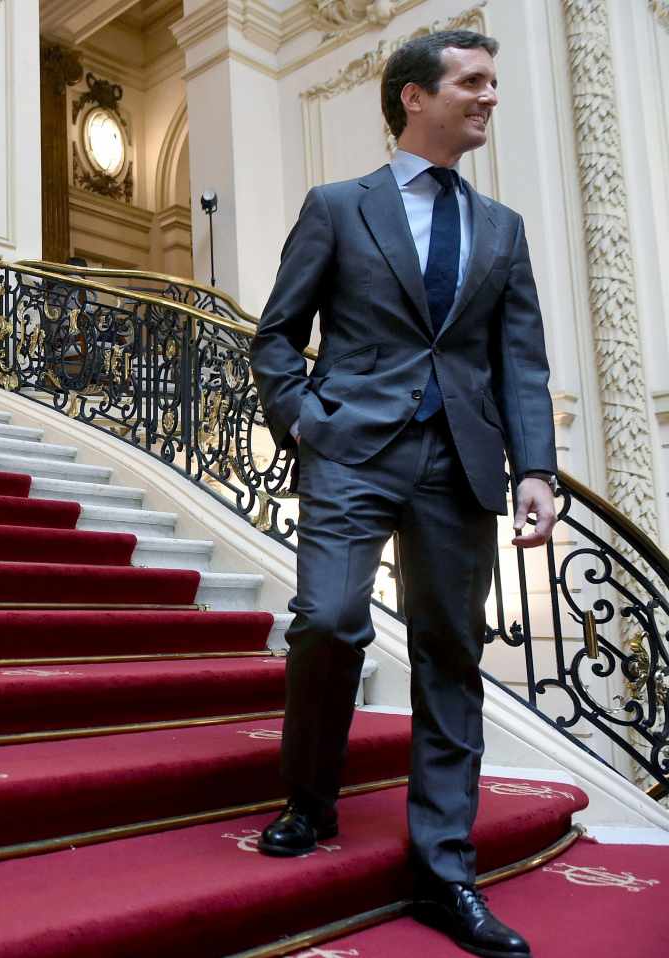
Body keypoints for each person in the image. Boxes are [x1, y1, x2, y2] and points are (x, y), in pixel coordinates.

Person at [248, 31, 556, 958]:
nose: (490, 97)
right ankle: (310, 796)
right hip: (351, 451)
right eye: (473, 81)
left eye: (494, 81)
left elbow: (522, 363)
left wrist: (534, 467)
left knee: (451, 654)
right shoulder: (339, 208)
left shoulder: (502, 228)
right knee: (331, 619)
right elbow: (275, 335)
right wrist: (306, 418)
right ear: (413, 96)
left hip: (459, 460)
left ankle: (444, 870)